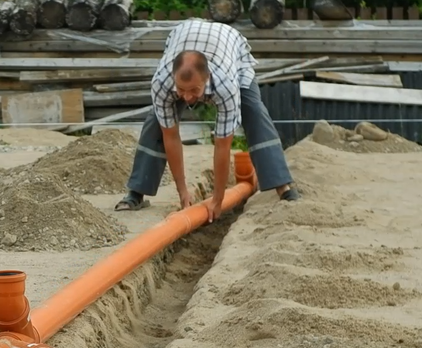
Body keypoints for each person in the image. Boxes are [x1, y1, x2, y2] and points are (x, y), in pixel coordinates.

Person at [114, 18, 299, 220]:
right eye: (181, 90)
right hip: (184, 33)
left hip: (229, 46)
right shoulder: (162, 82)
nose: (187, 97)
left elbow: (222, 144)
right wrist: (182, 191)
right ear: (174, 77)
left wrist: (217, 199)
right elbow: (171, 137)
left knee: (253, 110)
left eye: (194, 90)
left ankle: (283, 185)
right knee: (156, 122)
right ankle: (136, 192)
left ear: (207, 79)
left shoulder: (226, 85)